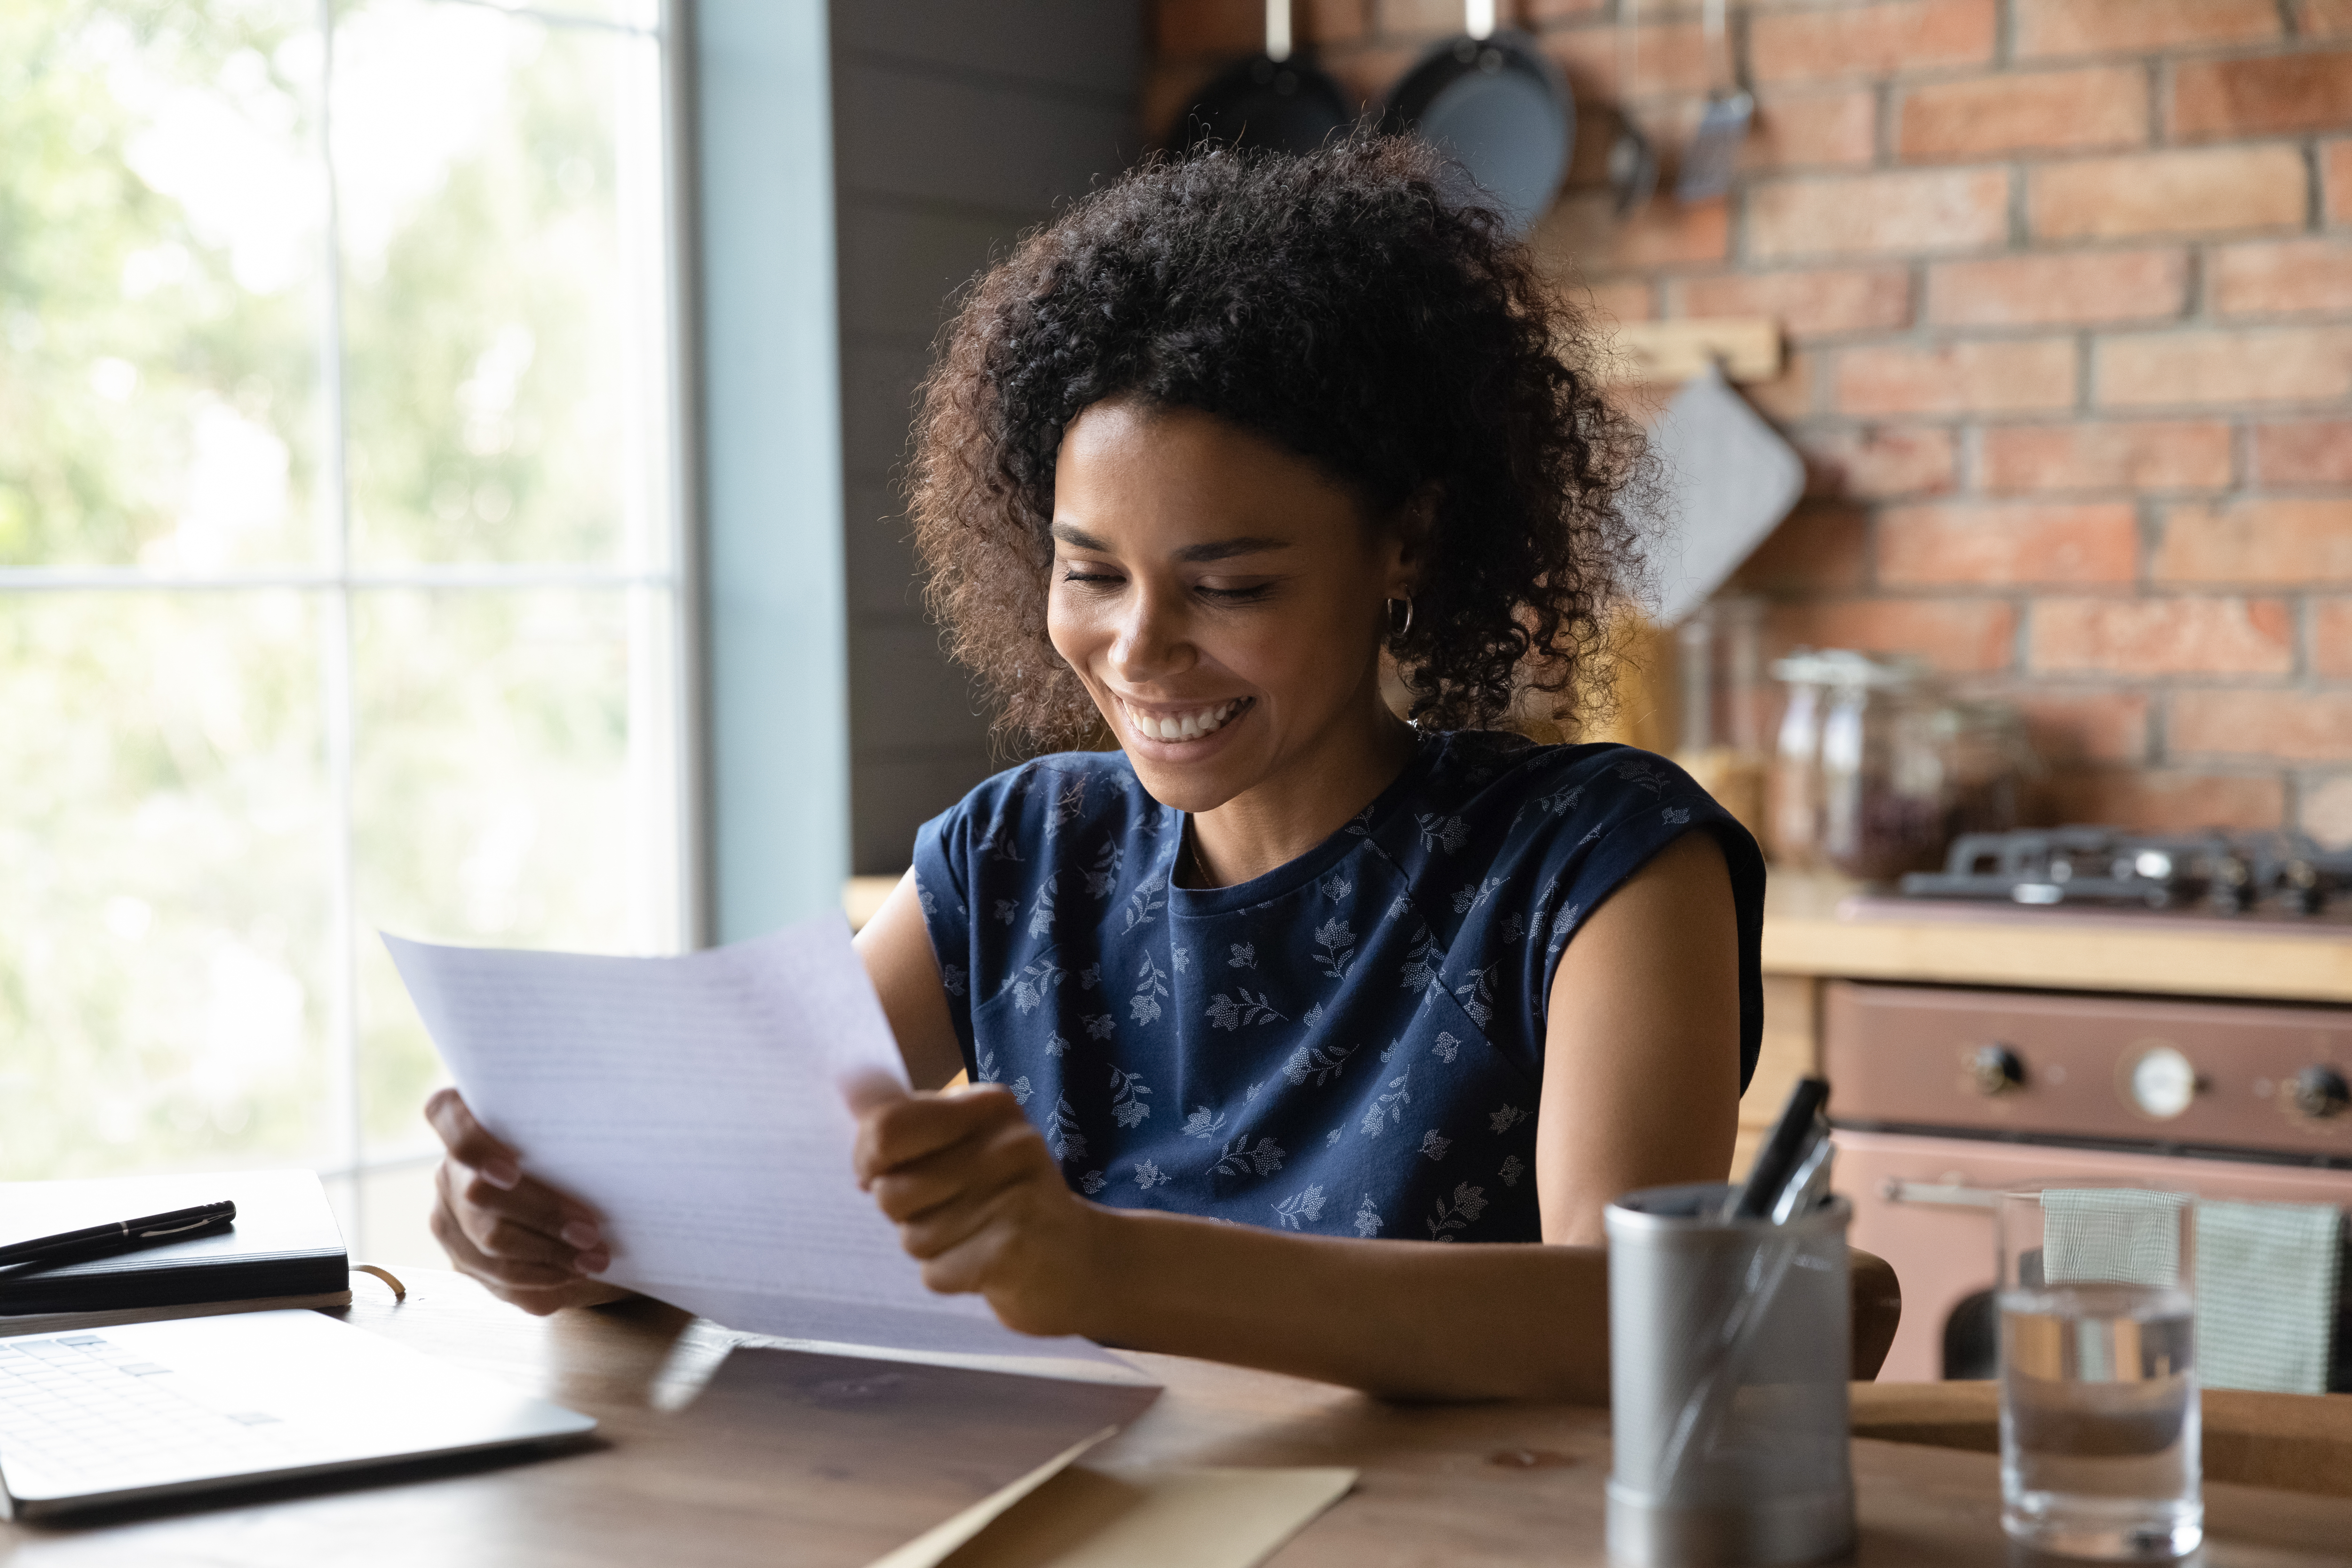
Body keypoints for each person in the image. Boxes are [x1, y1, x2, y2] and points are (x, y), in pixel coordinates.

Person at [423, 137, 1764, 1404]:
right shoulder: (1015, 856)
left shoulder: (1602, 864)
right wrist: (559, 1238)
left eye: (1229, 584)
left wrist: (1112, 1269)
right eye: (1090, 574)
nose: (1140, 649)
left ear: (1405, 544)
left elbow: (1629, 1320)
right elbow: (724, 1210)